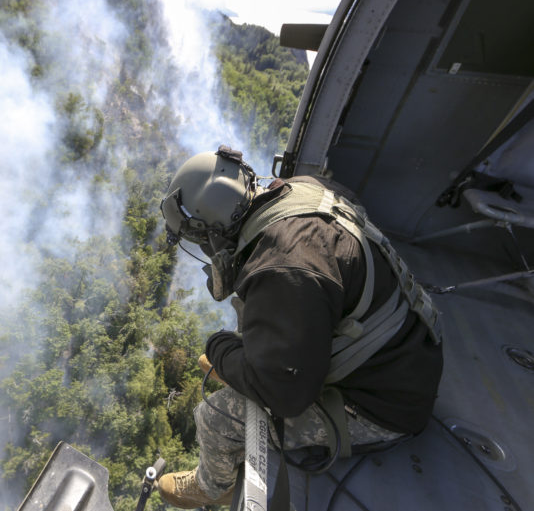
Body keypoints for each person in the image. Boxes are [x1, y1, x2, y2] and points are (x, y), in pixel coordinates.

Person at [156, 146, 443, 508]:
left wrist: (219, 349)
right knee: (239, 352)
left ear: (213, 234)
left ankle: (213, 485)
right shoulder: (299, 190)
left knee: (214, 415)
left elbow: (285, 395)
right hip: (409, 350)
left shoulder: (283, 268)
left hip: (388, 404)